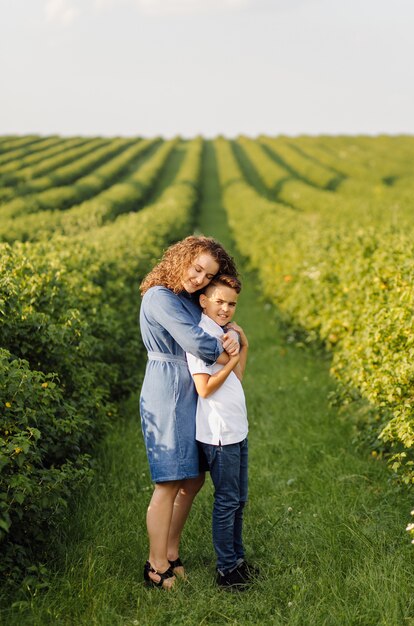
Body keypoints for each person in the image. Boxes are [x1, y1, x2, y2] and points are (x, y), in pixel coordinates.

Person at [139, 236, 240, 590]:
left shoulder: (185, 298)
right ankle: (155, 565)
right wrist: (231, 352)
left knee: (193, 478)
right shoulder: (159, 297)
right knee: (168, 480)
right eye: (196, 268)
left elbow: (213, 322)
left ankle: (170, 550)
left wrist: (232, 332)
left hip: (193, 392)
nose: (199, 278)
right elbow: (196, 341)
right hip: (167, 389)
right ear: (180, 259)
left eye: (207, 274)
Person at [185, 274, 256, 590]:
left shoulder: (224, 332)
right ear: (204, 300)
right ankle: (227, 570)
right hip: (218, 434)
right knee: (227, 501)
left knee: (239, 498)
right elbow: (204, 389)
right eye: (220, 302)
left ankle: (238, 561)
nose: (226, 309)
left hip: (235, 428)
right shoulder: (200, 337)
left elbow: (237, 377)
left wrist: (243, 346)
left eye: (232, 303)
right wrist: (230, 360)